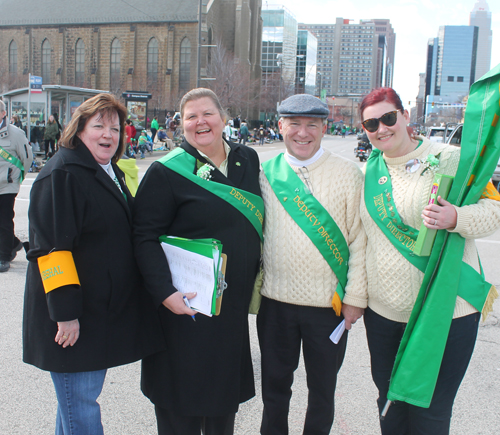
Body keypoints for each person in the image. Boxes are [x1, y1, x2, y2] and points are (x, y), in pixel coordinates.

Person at [342, 87, 500, 435]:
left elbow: (494, 209)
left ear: (405, 116)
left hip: (446, 312)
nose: (381, 128)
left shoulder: (451, 159)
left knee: (430, 413)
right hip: (385, 316)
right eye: (371, 124)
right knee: (390, 407)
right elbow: (363, 241)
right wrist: (357, 298)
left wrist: (456, 217)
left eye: (388, 118)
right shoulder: (367, 173)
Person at [23, 93, 163, 434]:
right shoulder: (64, 173)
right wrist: (66, 314)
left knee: (74, 405)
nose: (108, 135)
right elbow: (53, 249)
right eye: (98, 125)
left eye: (115, 128)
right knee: (80, 405)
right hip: (72, 316)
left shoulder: (104, 168)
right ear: (78, 130)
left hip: (95, 312)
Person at [133, 88, 263, 435]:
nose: (200, 122)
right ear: (182, 124)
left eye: (207, 114)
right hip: (183, 310)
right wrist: (164, 292)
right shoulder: (166, 172)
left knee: (222, 407)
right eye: (191, 116)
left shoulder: (247, 159)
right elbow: (143, 237)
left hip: (229, 311)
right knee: (180, 408)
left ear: (223, 118)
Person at [257, 94, 367, 435]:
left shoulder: (349, 173)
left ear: (323, 128)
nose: (302, 133)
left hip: (328, 308)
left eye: (311, 125)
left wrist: (355, 299)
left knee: (322, 391)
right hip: (275, 303)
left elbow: (360, 240)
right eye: (294, 124)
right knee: (275, 391)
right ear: (280, 126)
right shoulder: (264, 174)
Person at [0, 100, 33, 273]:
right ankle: (14, 243)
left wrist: (18, 177)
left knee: (4, 219)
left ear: (3, 114)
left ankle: (4, 256)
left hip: (7, 185)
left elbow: (27, 158)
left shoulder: (16, 134)